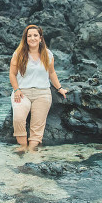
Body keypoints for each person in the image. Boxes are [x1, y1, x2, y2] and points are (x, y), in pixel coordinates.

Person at [9, 24, 68, 152]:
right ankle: (23, 146)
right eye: (29, 36)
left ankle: (32, 149)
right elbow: (12, 74)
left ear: (40, 38)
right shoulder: (18, 54)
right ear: (25, 39)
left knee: (37, 125)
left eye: (35, 35)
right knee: (18, 117)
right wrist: (16, 90)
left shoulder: (48, 54)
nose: (32, 38)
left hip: (43, 94)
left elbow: (51, 73)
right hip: (22, 92)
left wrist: (60, 88)